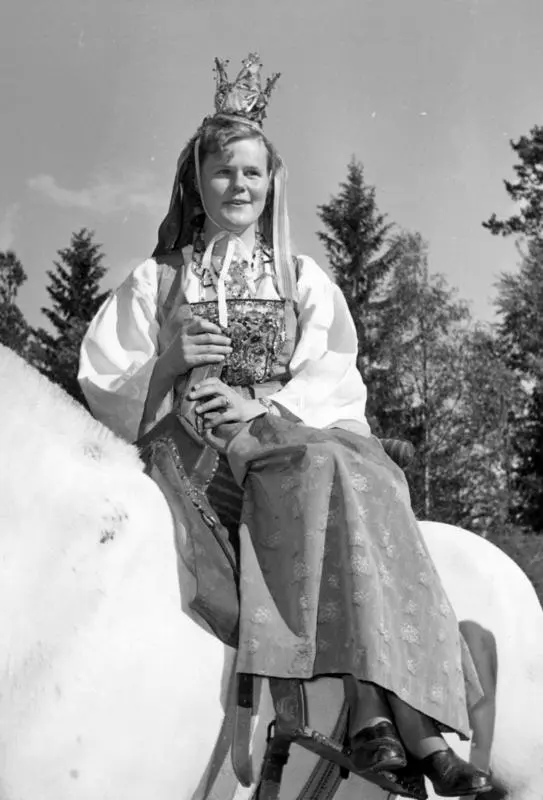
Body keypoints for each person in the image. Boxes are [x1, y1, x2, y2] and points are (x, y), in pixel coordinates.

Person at [78, 54, 492, 798]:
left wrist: (265, 410)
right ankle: (403, 722)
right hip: (190, 443)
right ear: (195, 181)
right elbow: (107, 384)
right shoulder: (157, 279)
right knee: (320, 465)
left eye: (253, 174)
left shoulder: (300, 278)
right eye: (223, 172)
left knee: (364, 466)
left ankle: (381, 711)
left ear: (272, 184)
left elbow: (335, 380)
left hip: (283, 429)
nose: (239, 187)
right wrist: (171, 359)